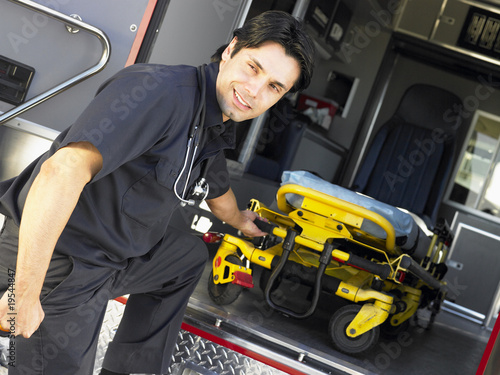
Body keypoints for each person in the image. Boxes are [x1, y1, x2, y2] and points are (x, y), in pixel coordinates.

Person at [0, 10, 315, 375]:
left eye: (275, 87)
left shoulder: (213, 119)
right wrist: (22, 291)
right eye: (253, 68)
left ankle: (129, 369)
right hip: (60, 264)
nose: (255, 91)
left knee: (187, 257)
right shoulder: (162, 94)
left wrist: (239, 220)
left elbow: (215, 183)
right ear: (231, 50)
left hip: (113, 261)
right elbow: (61, 170)